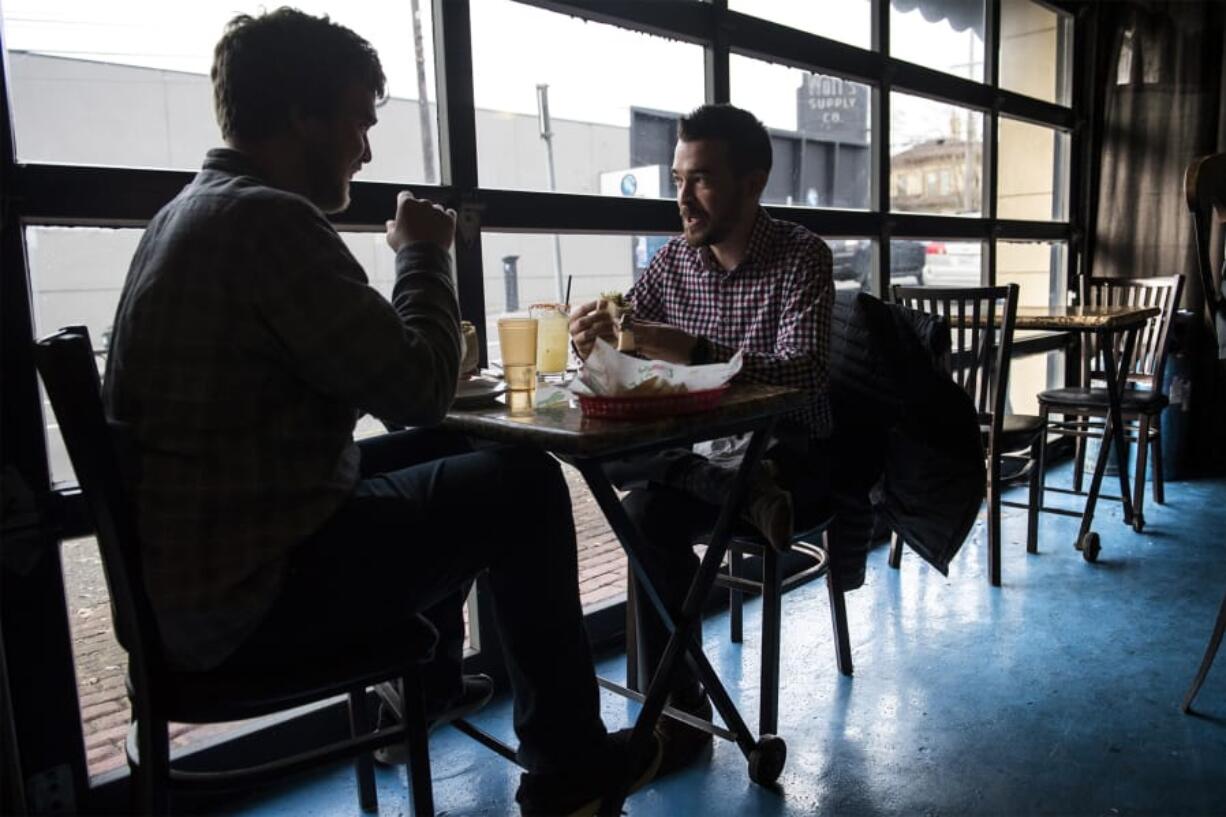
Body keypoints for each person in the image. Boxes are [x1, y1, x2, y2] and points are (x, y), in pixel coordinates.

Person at [102, 8, 658, 814]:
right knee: (527, 487)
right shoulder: (268, 221)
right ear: (303, 114)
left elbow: (404, 404)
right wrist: (423, 252)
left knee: (464, 455)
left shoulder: (191, 211)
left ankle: (421, 693)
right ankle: (569, 769)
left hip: (198, 580)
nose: (366, 148)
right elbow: (414, 386)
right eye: (359, 121)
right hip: (253, 597)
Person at [569, 103, 834, 772]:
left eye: (702, 180)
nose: (682, 199)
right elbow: (626, 355)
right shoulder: (670, 264)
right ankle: (685, 714)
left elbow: (802, 378)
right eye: (677, 178)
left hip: (790, 455)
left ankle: (676, 713)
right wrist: (592, 341)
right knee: (640, 514)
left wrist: (691, 347)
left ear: (754, 182)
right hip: (709, 462)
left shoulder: (802, 256)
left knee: (645, 489)